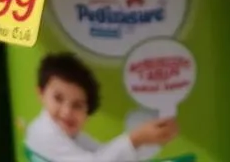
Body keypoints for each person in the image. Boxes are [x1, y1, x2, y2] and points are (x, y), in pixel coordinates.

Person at [25, 53, 178, 162]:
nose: (66, 112)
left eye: (77, 106)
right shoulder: (45, 133)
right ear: (41, 93)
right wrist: (136, 138)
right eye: (58, 99)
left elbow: (103, 153)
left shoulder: (70, 135)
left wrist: (148, 140)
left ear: (87, 113)